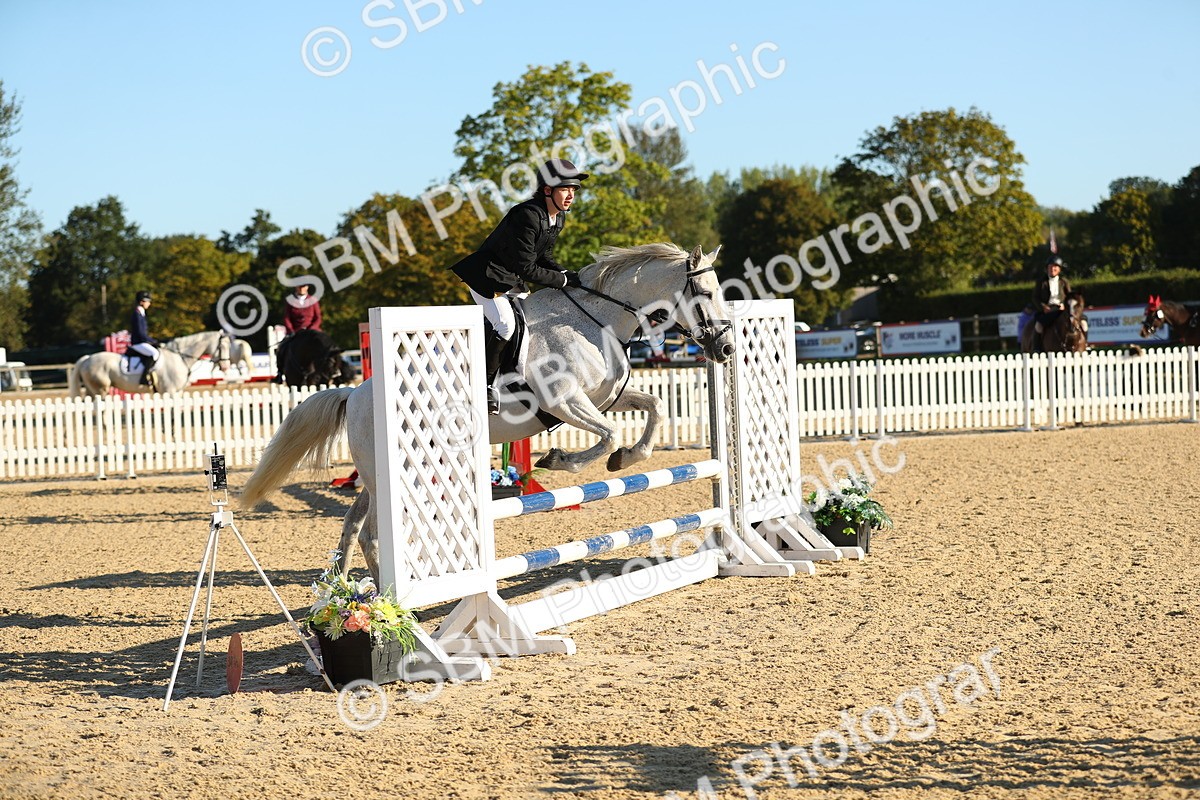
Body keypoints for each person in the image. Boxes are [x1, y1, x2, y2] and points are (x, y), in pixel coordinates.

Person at [450, 158, 587, 413]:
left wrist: (566, 272)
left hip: (510, 280)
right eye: (565, 189)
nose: (570, 195)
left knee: (532, 321)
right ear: (547, 190)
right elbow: (527, 267)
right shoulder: (527, 215)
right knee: (505, 325)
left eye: (573, 190)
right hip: (487, 278)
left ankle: (515, 375)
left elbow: (541, 257)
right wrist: (563, 281)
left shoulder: (556, 218)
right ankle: (486, 386)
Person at [275, 284, 322, 382]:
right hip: (296, 331)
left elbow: (318, 318)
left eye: (303, 287)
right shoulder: (290, 300)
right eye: (300, 287)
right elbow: (287, 318)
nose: (301, 289)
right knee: (281, 348)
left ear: (307, 287)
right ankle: (280, 373)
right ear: (296, 288)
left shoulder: (313, 300)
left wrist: (311, 329)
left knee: (326, 346)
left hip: (311, 331)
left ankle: (332, 371)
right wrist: (291, 330)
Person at [1031, 256, 1072, 349]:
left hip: (1061, 310)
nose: (1052, 269)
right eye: (1050, 267)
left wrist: (1064, 306)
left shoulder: (1064, 282)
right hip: (1047, 310)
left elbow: (1070, 297)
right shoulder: (1041, 282)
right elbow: (1035, 298)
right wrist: (1043, 307)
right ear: (1046, 269)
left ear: (1059, 269)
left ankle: (1085, 345)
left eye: (1055, 267)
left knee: (1082, 323)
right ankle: (1037, 349)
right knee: (1038, 326)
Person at [128, 290, 160, 387]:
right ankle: (143, 378)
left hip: (142, 342)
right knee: (155, 353)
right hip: (138, 343)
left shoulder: (141, 313)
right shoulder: (137, 314)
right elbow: (141, 333)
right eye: (148, 301)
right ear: (142, 302)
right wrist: (153, 341)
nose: (149, 303)